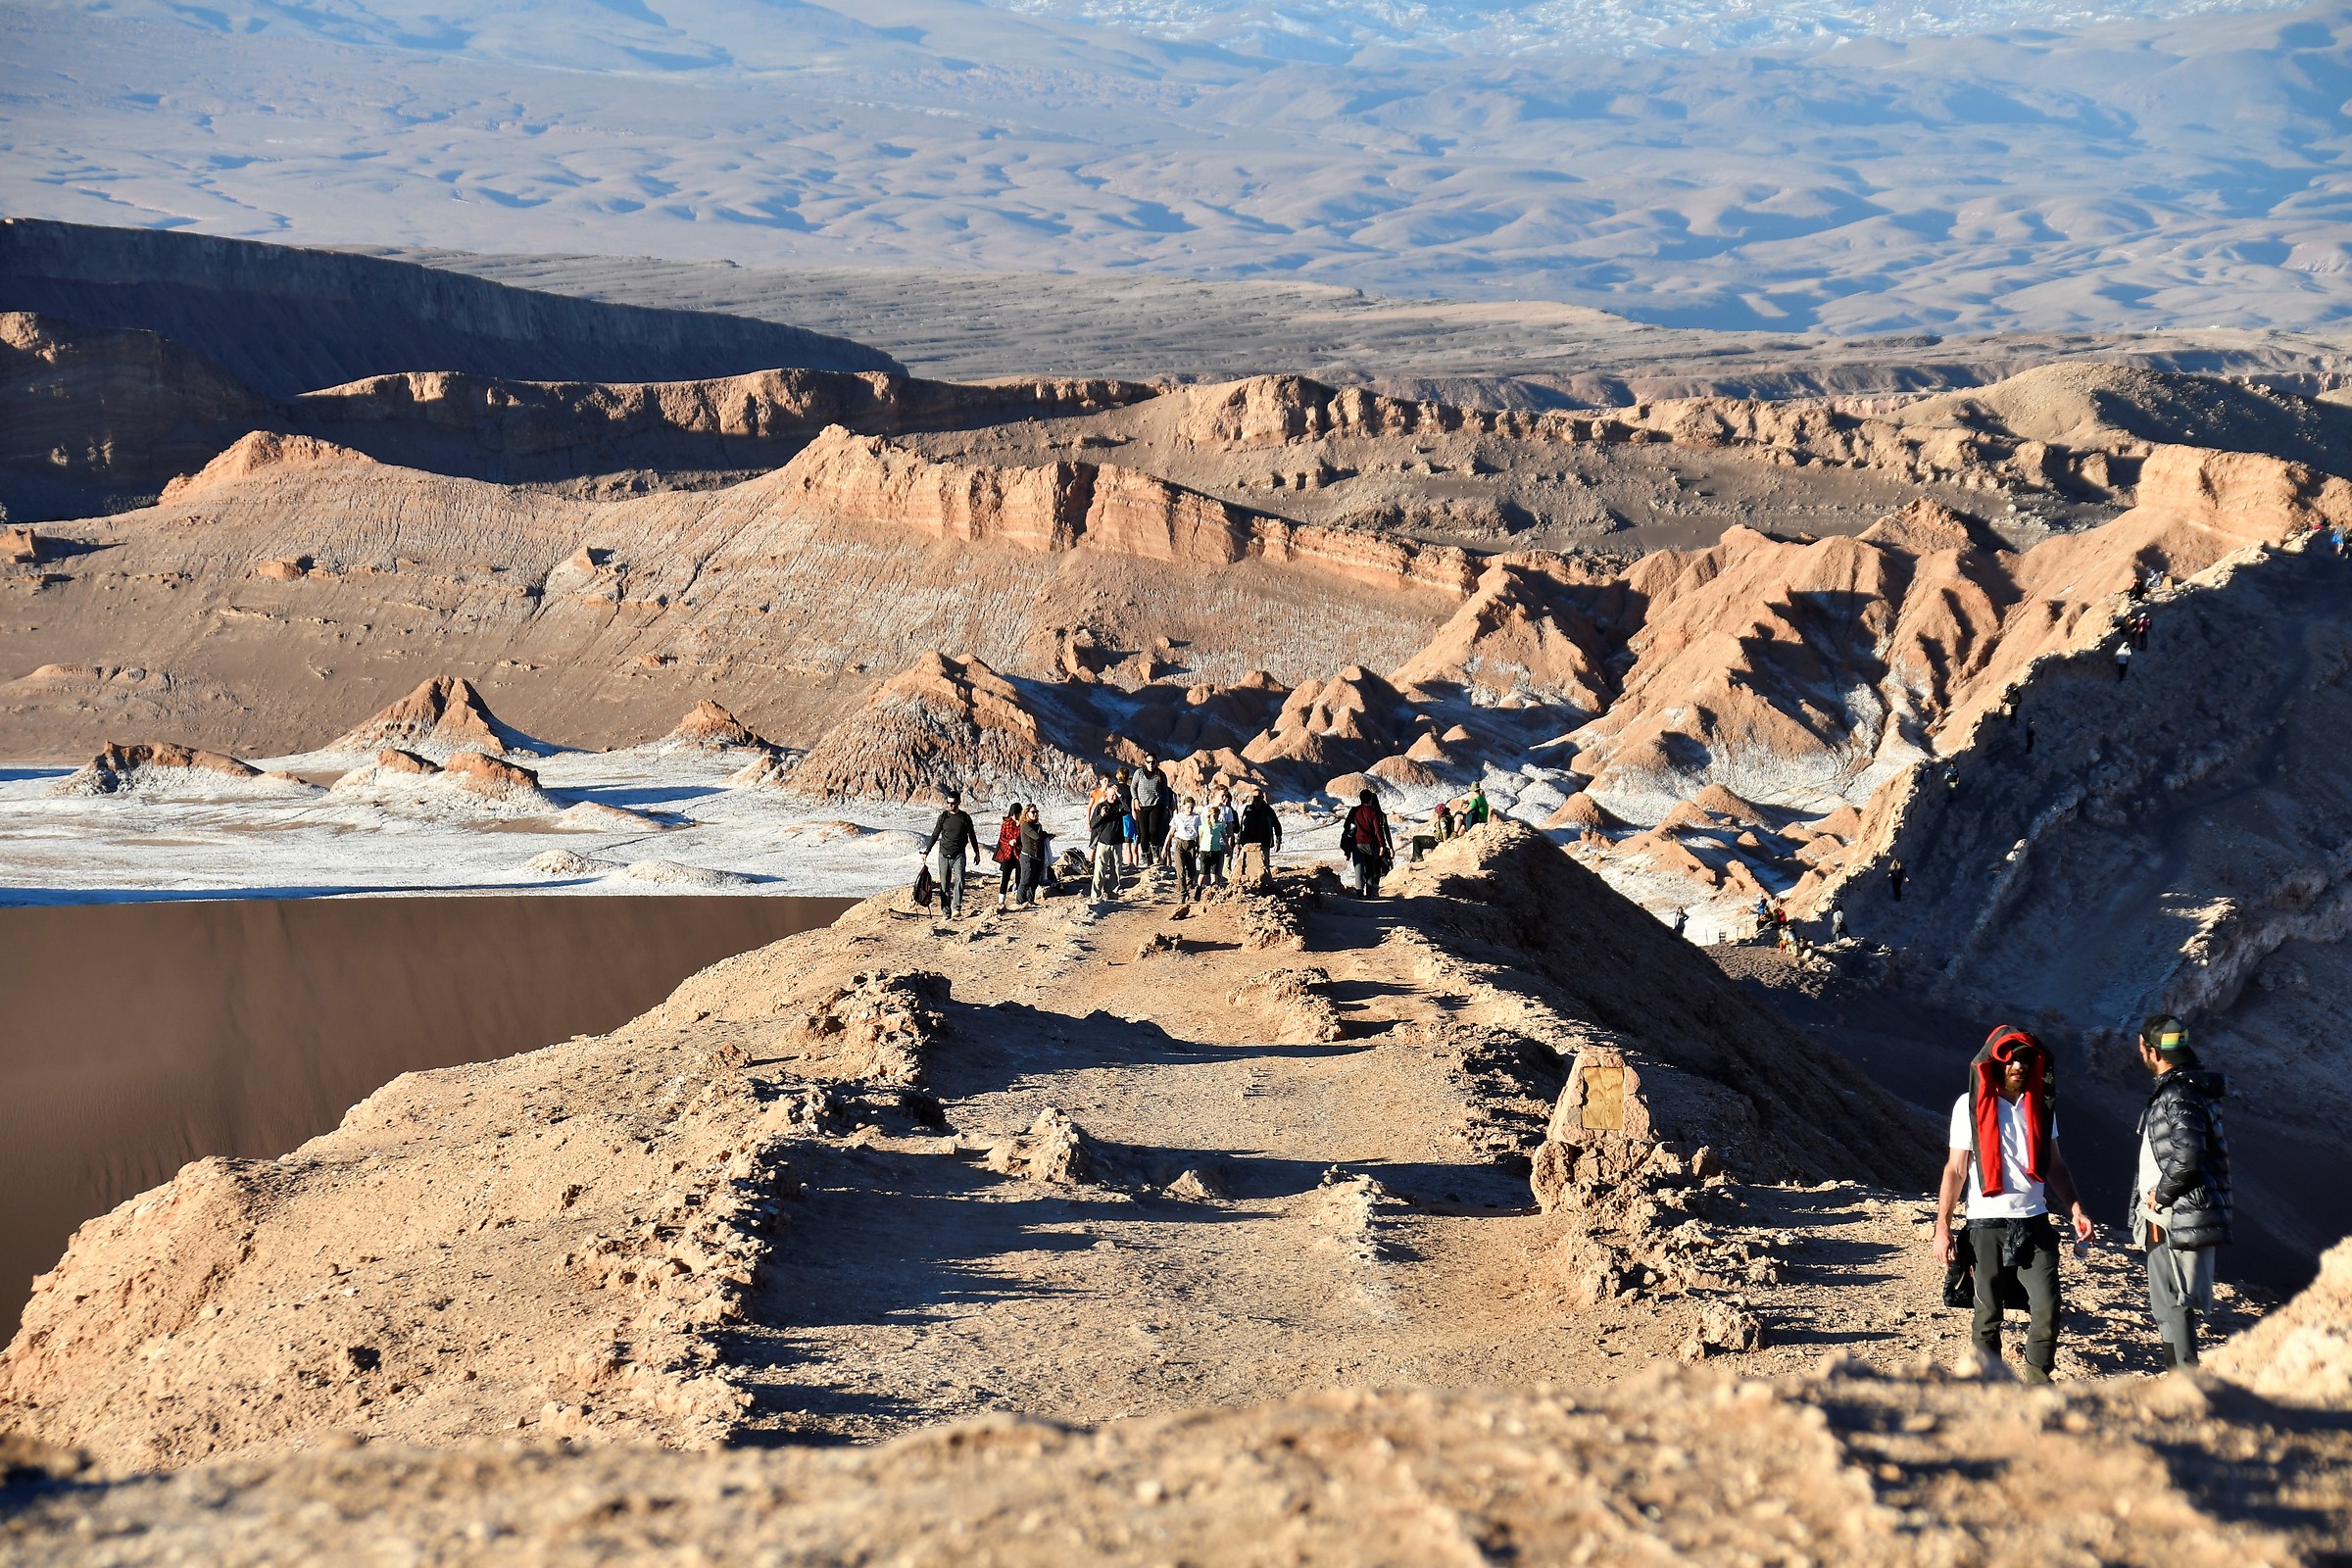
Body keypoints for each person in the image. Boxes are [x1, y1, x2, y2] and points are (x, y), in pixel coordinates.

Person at [1933, 1026, 2094, 1384]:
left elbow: (2054, 1164)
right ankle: (1988, 1387)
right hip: (1986, 1223)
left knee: (2048, 1305)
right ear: (1995, 1062)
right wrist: (1942, 1226)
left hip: (2034, 1221)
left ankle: (2037, 1383)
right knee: (1988, 1312)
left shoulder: (2041, 1105)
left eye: (2025, 1058)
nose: (2018, 1065)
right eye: (2011, 1059)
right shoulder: (1969, 1105)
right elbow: (1956, 1168)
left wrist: (2076, 1208)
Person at [2132, 1014, 2231, 1368]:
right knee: (2168, 1301)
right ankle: (2180, 1378)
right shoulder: (2185, 1088)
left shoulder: (2177, 1092)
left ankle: (2185, 1381)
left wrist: (2161, 1195)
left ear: (2151, 1050)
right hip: (2178, 1210)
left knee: (2177, 1300)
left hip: (2176, 1211)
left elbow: (2189, 1153)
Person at [922, 788, 982, 920]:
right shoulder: (943, 817)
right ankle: (946, 912)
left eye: (953, 803)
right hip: (944, 855)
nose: (950, 806)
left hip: (959, 854)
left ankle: (956, 908)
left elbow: (972, 835)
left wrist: (977, 852)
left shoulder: (965, 818)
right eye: (948, 803)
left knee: (960, 880)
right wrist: (927, 851)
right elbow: (935, 834)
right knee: (944, 885)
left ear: (959, 802)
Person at [1341, 787, 1393, 896]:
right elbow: (1378, 830)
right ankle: (1369, 892)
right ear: (1370, 799)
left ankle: (1359, 891)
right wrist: (1382, 845)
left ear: (1360, 798)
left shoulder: (1354, 810)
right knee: (1370, 868)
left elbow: (1346, 825)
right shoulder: (1373, 812)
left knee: (1358, 868)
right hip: (1371, 844)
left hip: (1357, 843)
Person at [1235, 789, 1281, 889]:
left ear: (1262, 797)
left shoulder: (1268, 810)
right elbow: (1242, 826)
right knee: (1249, 866)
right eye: (1254, 797)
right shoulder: (1248, 809)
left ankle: (1266, 886)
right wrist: (1238, 843)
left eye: (1258, 797)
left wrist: (1278, 840)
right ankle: (1252, 886)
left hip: (1264, 842)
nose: (1256, 799)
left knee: (1264, 865)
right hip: (1249, 843)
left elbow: (1277, 825)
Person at [1088, 783, 1126, 903]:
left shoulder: (1120, 806)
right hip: (1103, 843)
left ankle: (1113, 896)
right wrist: (1101, 816)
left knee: (1116, 870)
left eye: (1115, 795)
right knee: (1099, 871)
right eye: (1112, 795)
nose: (1113, 798)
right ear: (1107, 794)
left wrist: (1120, 795)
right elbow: (1092, 824)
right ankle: (1096, 897)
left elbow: (1128, 809)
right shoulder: (1100, 806)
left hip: (1117, 843)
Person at [1167, 795, 1203, 902]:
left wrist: (1199, 846)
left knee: (1191, 872)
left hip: (1191, 844)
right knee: (1181, 870)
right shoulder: (1178, 817)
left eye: (1192, 807)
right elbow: (1171, 833)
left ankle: (1187, 887)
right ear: (1183, 806)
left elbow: (1199, 833)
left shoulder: (1197, 817)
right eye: (1188, 807)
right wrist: (1166, 847)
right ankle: (1182, 894)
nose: (1190, 809)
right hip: (1180, 843)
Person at [1132, 761, 1168, 861]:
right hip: (1142, 806)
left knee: (1153, 830)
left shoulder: (1160, 774)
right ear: (1145, 762)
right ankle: (1145, 857)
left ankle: (1156, 853)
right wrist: (1135, 799)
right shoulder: (1139, 773)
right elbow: (1133, 787)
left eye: (1153, 762)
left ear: (1156, 763)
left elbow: (1165, 791)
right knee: (1144, 833)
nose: (1150, 764)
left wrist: (1166, 806)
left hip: (1156, 805)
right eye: (1148, 762)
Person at [992, 804, 1023, 912]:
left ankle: (1019, 900)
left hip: (1019, 854)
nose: (1015, 817)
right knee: (1005, 878)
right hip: (1008, 854)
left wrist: (1020, 826)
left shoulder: (1023, 824)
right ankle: (1001, 901)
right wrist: (1009, 842)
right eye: (1014, 814)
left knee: (1020, 878)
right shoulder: (1006, 823)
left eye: (1017, 814)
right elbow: (1002, 838)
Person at [1016, 805, 1049, 906]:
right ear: (1026, 814)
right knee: (1025, 880)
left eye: (1036, 812)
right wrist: (1041, 830)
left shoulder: (1036, 825)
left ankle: (1030, 901)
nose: (1035, 814)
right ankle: (1020, 902)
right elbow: (1037, 836)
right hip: (1028, 857)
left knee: (1034, 882)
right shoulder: (1025, 825)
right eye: (1033, 812)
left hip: (1037, 857)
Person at [1201, 788, 1234, 887]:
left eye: (1226, 795)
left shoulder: (1227, 810)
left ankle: (1216, 888)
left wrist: (1229, 843)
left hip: (1221, 843)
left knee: (1218, 869)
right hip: (1207, 844)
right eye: (1222, 795)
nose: (1224, 798)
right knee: (1206, 869)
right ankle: (1204, 888)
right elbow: (1202, 828)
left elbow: (1229, 828)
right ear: (1215, 795)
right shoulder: (1206, 809)